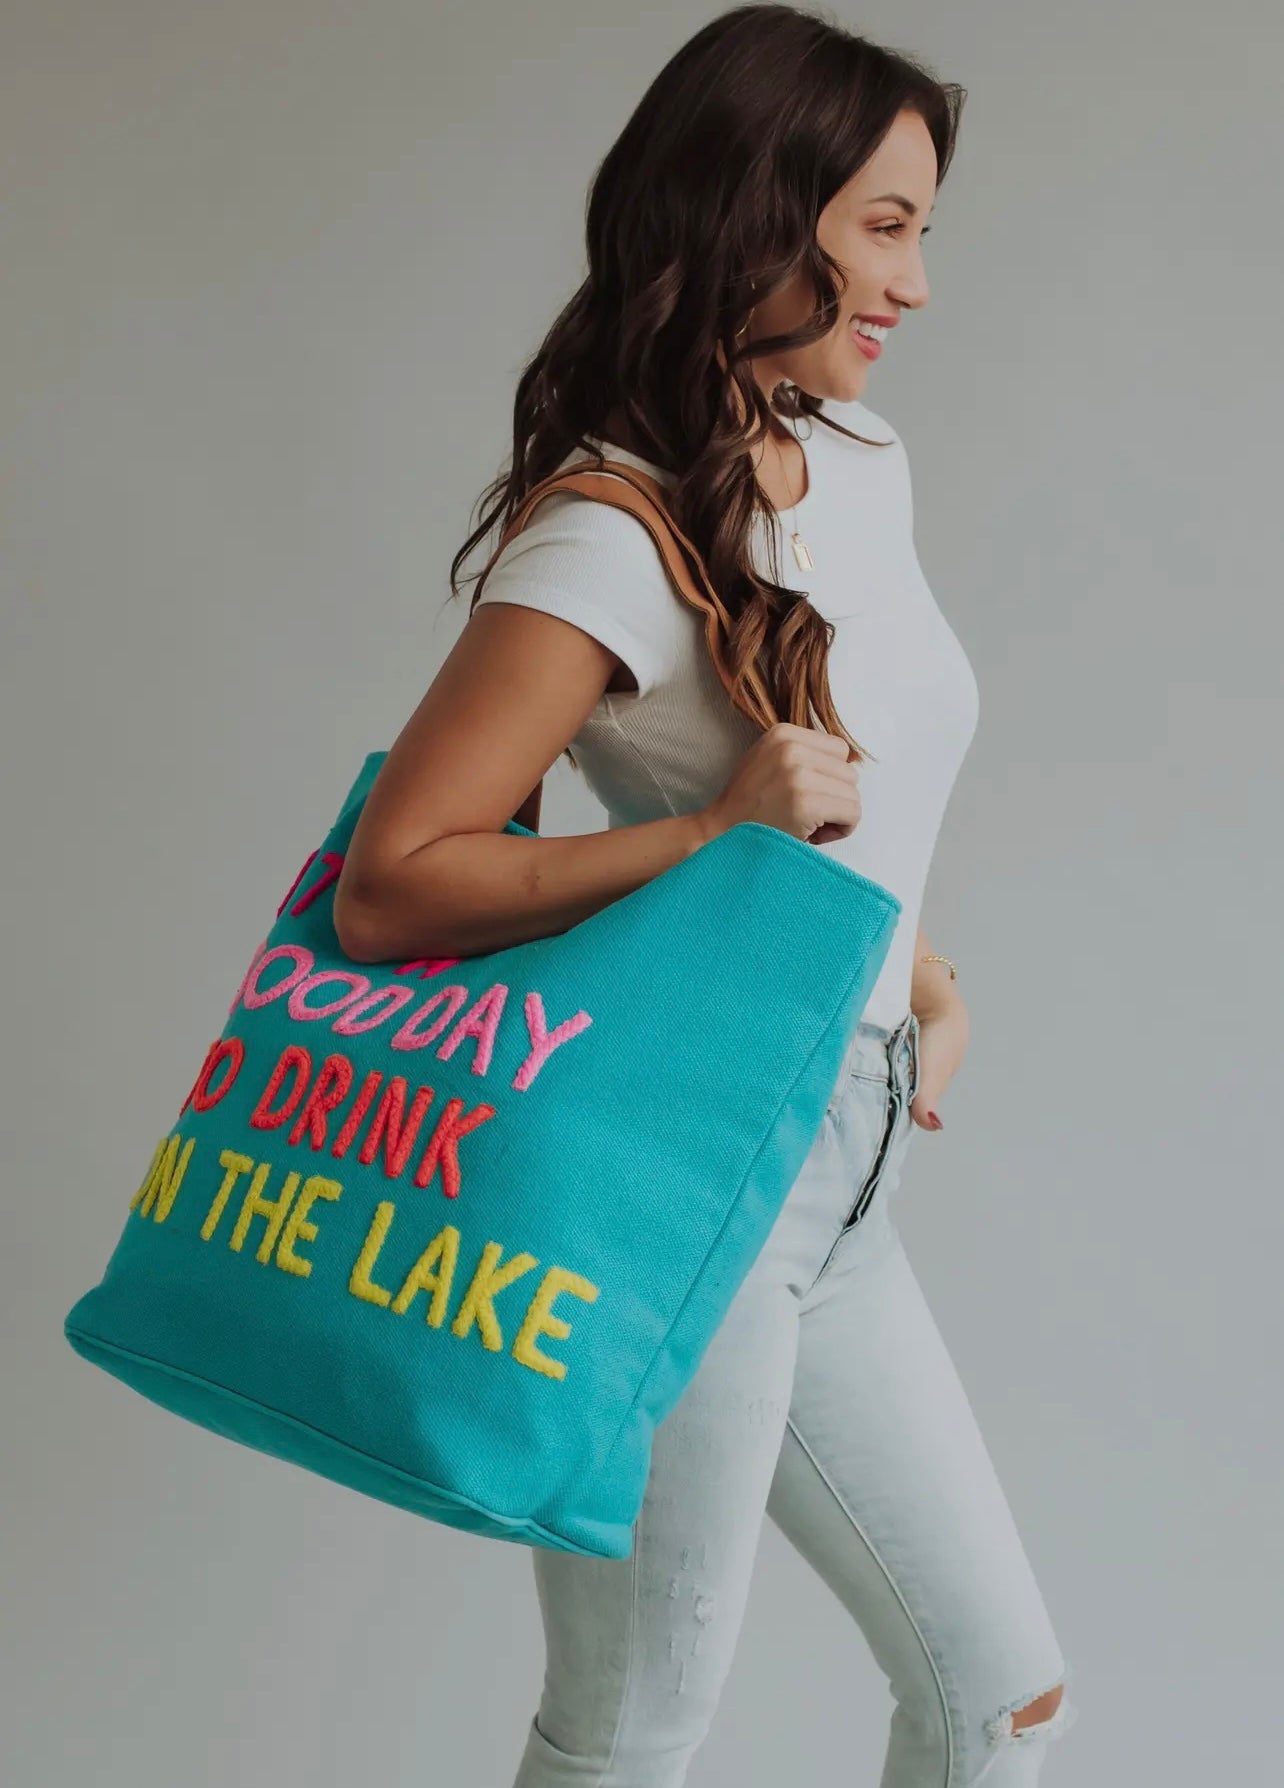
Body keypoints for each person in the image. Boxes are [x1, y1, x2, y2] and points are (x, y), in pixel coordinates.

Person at [333, 7, 1079, 1783]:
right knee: (636, 1728)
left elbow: (861, 788)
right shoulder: (607, 533)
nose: (916, 280)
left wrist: (913, 976)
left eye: (923, 230)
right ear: (759, 212)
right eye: (885, 226)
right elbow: (392, 889)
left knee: (1002, 1694)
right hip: (678, 1190)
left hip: (844, 1166)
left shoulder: (862, 466)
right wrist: (712, 840)